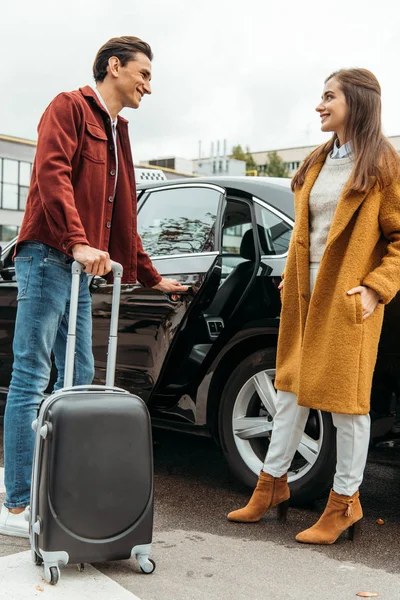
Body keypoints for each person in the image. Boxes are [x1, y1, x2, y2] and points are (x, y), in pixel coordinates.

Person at [0, 36, 187, 538]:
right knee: (32, 373)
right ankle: (16, 499)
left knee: (79, 379)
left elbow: (122, 212)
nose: (149, 86)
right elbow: (52, 174)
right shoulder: (68, 107)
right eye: (143, 74)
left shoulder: (117, 130)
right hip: (46, 255)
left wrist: (150, 275)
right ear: (114, 67)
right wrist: (78, 242)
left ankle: (61, 489)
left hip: (80, 268)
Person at [227, 68, 400, 544]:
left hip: (349, 297)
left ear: (357, 103)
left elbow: (399, 239)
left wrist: (374, 288)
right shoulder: (316, 161)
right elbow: (306, 232)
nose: (319, 105)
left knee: (348, 407)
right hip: (304, 293)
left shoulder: (384, 164)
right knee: (289, 390)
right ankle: (272, 485)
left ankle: (345, 504)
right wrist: (288, 273)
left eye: (329, 97)